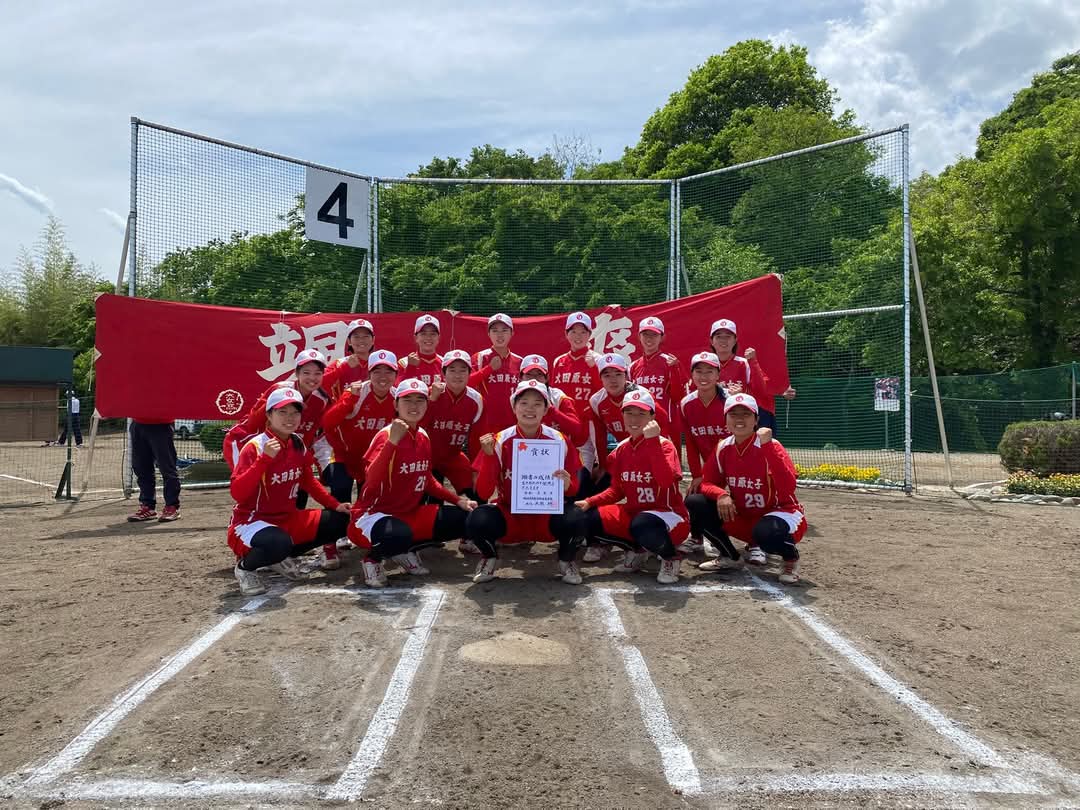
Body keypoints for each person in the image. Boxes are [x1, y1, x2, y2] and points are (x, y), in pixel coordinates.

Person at [347, 379, 478, 588]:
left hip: (408, 513)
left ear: (427, 404)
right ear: (396, 404)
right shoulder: (386, 436)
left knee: (466, 518)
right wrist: (392, 443)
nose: (414, 405)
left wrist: (457, 500)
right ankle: (372, 560)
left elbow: (426, 479)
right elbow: (371, 479)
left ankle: (403, 551)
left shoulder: (422, 435)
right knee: (399, 534)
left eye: (420, 400)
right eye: (407, 400)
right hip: (372, 517)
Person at [228, 387, 350, 596]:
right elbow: (238, 493)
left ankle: (277, 557)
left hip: (286, 519)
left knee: (343, 519)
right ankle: (245, 568)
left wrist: (335, 505)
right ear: (269, 415)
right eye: (282, 412)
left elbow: (308, 481)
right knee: (278, 543)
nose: (290, 418)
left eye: (295, 412)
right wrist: (264, 459)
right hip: (251, 522)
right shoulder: (256, 446)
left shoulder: (297, 442)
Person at [466, 380, 586, 585]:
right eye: (524, 403)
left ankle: (566, 561)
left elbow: (573, 489)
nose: (530, 409)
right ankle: (489, 557)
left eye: (538, 404)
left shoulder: (559, 439)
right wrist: (489, 457)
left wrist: (567, 484)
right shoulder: (499, 440)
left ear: (546, 410)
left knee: (578, 517)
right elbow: (484, 492)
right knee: (477, 519)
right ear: (514, 407)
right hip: (511, 516)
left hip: (546, 516)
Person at [685, 393, 806, 584]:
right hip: (744, 516)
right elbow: (707, 483)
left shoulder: (771, 445)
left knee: (766, 533)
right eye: (733, 414)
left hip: (781, 514)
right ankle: (730, 556)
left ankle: (790, 559)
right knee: (695, 502)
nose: (739, 419)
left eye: (746, 414)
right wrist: (722, 495)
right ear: (726, 420)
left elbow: (788, 487)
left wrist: (768, 447)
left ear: (756, 420)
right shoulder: (723, 447)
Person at [575, 389, 689, 584]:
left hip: (669, 517)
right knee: (586, 517)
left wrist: (652, 441)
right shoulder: (621, 449)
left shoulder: (664, 445)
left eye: (641, 414)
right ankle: (637, 551)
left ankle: (671, 558)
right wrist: (590, 501)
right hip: (636, 514)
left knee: (642, 523)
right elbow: (617, 490)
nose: (634, 419)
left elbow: (665, 481)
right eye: (629, 413)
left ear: (652, 417)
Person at [583, 353, 671, 562]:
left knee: (658, 493)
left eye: (618, 374)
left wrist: (662, 453)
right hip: (624, 454)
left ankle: (662, 536)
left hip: (650, 452)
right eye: (606, 375)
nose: (613, 380)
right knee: (596, 487)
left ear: (626, 375)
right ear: (600, 378)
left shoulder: (641, 394)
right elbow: (600, 435)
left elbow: (664, 423)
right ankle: (598, 542)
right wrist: (602, 465)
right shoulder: (597, 400)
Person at [318, 350, 399, 569]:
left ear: (395, 374)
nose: (383, 376)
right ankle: (329, 546)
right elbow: (328, 422)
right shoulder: (357, 392)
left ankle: (365, 537)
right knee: (340, 488)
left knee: (370, 497)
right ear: (369, 374)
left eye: (389, 371)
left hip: (368, 457)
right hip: (340, 451)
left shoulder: (397, 397)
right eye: (377, 371)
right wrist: (349, 399)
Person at [223, 349, 329, 471]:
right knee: (247, 481)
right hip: (245, 440)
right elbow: (253, 424)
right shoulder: (280, 390)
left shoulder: (321, 400)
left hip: (276, 448)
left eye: (317, 373)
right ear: (296, 373)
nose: (312, 378)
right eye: (306, 373)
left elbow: (308, 435)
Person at [424, 349, 484, 500]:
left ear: (469, 373)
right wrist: (432, 401)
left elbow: (477, 438)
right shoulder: (429, 393)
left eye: (463, 370)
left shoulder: (476, 400)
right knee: (432, 501)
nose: (458, 375)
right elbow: (417, 426)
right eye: (452, 370)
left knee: (479, 492)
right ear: (443, 373)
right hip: (426, 458)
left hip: (453, 456)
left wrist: (476, 470)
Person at [469, 313, 523, 445]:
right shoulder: (480, 357)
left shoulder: (520, 361)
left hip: (513, 423)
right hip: (485, 423)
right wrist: (489, 369)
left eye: (504, 330)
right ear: (488, 334)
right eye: (495, 331)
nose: (499, 335)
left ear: (512, 333)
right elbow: (467, 383)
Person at [679, 352, 729, 495]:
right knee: (693, 500)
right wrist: (697, 475)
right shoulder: (685, 404)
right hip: (711, 471)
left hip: (738, 468)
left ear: (718, 375)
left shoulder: (730, 400)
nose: (703, 377)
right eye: (699, 371)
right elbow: (690, 444)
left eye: (709, 372)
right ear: (692, 375)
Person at [127, 416, 181, 523]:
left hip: (161, 424)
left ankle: (172, 506)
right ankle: (148, 506)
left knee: (167, 468)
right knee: (141, 468)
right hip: (138, 423)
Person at [323, 318, 375, 399]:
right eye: (356, 337)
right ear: (349, 341)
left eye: (366, 336)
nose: (361, 340)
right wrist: (344, 367)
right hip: (345, 406)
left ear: (373, 340)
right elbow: (320, 382)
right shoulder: (339, 364)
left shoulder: (379, 363)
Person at [399, 314, 443, 386]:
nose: (428, 337)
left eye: (433, 334)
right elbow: (398, 389)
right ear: (416, 338)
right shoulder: (404, 363)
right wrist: (410, 368)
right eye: (423, 334)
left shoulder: (445, 364)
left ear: (438, 338)